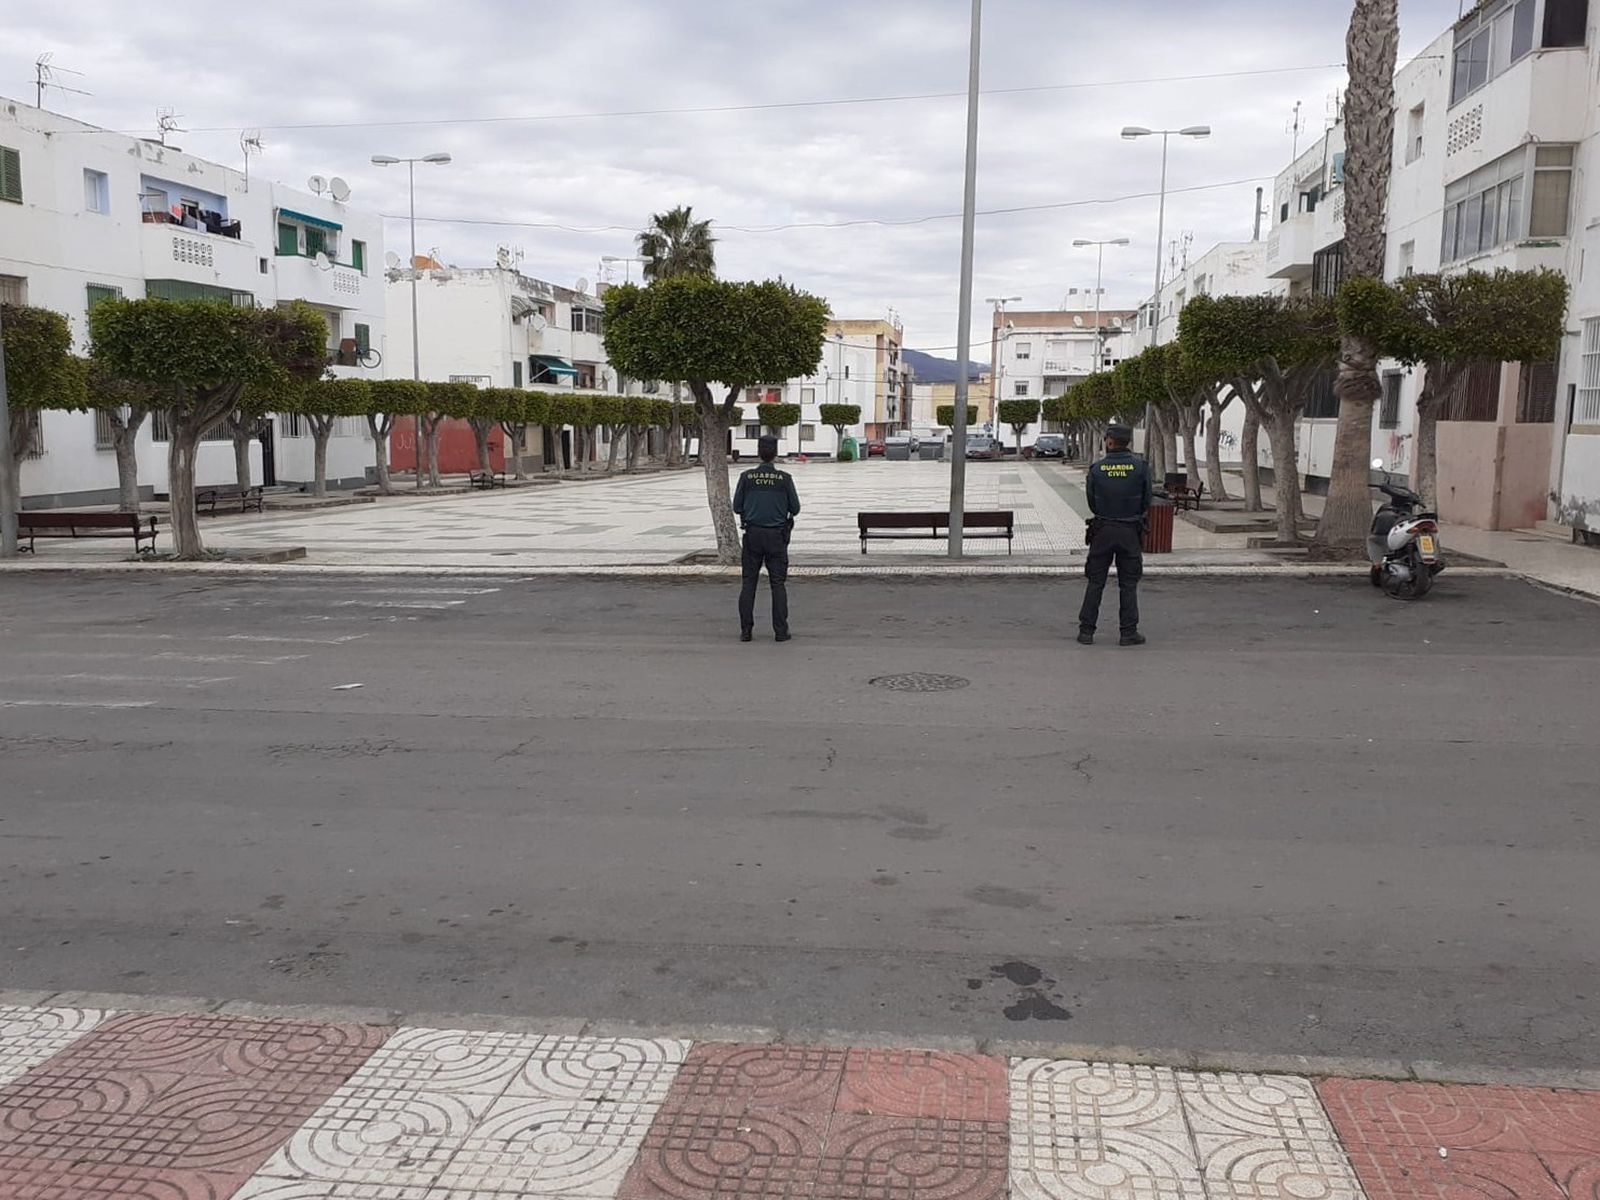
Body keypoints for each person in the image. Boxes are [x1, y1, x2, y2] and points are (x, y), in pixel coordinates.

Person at [1078, 423, 1152, 647]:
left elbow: (1091, 503)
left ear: (1109, 441)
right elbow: (1146, 500)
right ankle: (1128, 633)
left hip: (1103, 531)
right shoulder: (1140, 468)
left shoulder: (1097, 469)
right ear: (1127, 442)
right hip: (1130, 531)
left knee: (1095, 582)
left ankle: (1086, 631)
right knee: (1128, 584)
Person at [734, 435, 801, 642]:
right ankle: (780, 631)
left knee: (748, 583)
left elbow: (737, 507)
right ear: (775, 454)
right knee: (778, 584)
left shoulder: (746, 477)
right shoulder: (785, 479)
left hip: (752, 535)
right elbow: (795, 509)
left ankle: (746, 631)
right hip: (776, 537)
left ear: (758, 453)